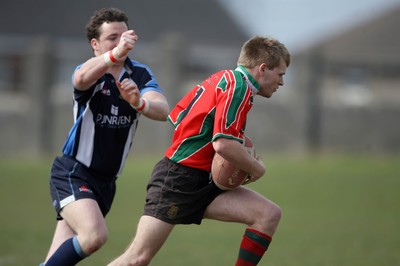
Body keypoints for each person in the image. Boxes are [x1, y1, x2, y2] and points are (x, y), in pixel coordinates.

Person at [108, 35, 291, 266]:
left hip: (204, 179)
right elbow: (223, 144)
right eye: (281, 74)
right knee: (137, 258)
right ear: (263, 68)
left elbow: (179, 119)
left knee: (267, 214)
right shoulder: (238, 88)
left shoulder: (223, 78)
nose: (282, 82)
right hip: (178, 180)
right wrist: (255, 168)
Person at [39, 7, 170, 266]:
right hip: (75, 172)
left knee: (56, 260)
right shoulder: (91, 71)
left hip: (106, 182)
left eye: (124, 36)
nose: (122, 43)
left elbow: (163, 110)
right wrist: (115, 54)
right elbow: (80, 77)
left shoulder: (139, 74)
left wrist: (139, 103)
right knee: (94, 236)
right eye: (113, 37)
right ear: (95, 44)